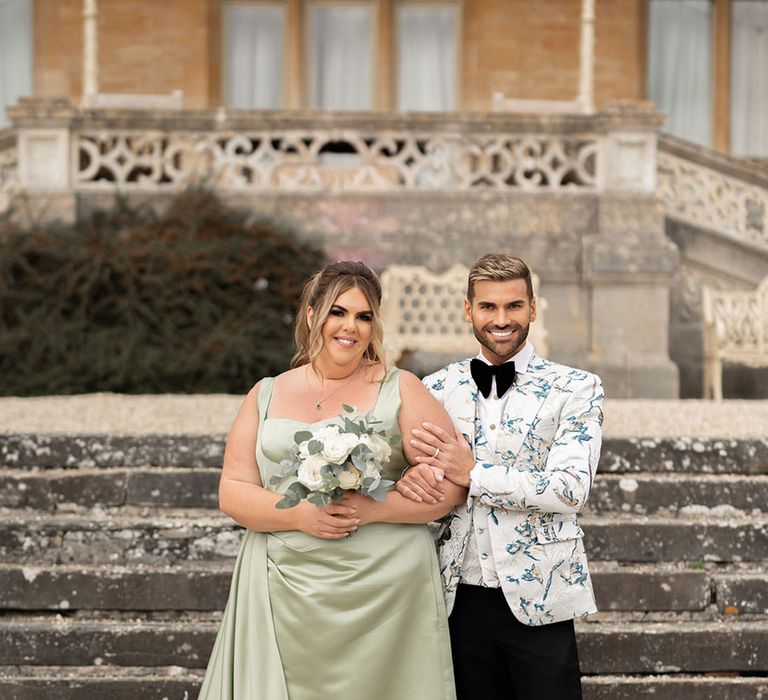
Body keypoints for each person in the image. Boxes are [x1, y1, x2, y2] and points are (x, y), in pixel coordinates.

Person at [198, 260, 466, 700]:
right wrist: (303, 517)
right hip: (284, 585)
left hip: (385, 592)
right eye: (338, 312)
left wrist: (375, 507)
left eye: (364, 316)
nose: (351, 327)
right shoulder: (266, 392)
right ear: (311, 315)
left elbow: (453, 486)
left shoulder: (402, 389)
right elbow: (233, 490)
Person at [397, 254, 603, 700]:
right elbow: (418, 478)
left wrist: (473, 473)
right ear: (468, 310)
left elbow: (570, 488)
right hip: (456, 595)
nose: (501, 319)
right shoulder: (433, 388)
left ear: (533, 308)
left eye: (514, 306)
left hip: (541, 595)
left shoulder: (577, 388)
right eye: (488, 307)